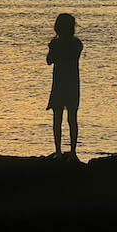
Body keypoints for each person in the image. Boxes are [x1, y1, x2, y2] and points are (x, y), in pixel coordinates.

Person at [46, 13, 83, 158]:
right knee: (72, 118)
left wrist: (53, 48)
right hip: (72, 82)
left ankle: (58, 151)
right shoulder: (77, 44)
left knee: (57, 118)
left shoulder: (56, 44)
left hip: (59, 83)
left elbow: (49, 60)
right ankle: (73, 151)